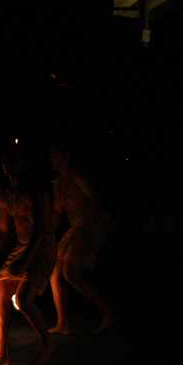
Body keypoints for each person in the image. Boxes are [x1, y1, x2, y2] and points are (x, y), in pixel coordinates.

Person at [0, 146, 56, 365]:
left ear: (23, 164)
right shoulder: (6, 196)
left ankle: (48, 345)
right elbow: (3, 232)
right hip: (21, 247)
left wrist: (26, 260)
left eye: (13, 161)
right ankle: (2, 356)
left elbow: (41, 229)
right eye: (5, 161)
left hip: (41, 248)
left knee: (23, 299)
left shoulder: (36, 192)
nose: (7, 166)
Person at [48, 144, 114, 335]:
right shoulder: (58, 184)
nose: (52, 161)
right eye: (52, 158)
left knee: (70, 271)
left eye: (56, 157)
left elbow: (95, 200)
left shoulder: (77, 177)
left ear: (66, 157)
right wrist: (44, 230)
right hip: (76, 227)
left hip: (88, 226)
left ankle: (107, 312)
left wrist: (87, 227)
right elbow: (57, 213)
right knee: (55, 271)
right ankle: (63, 322)